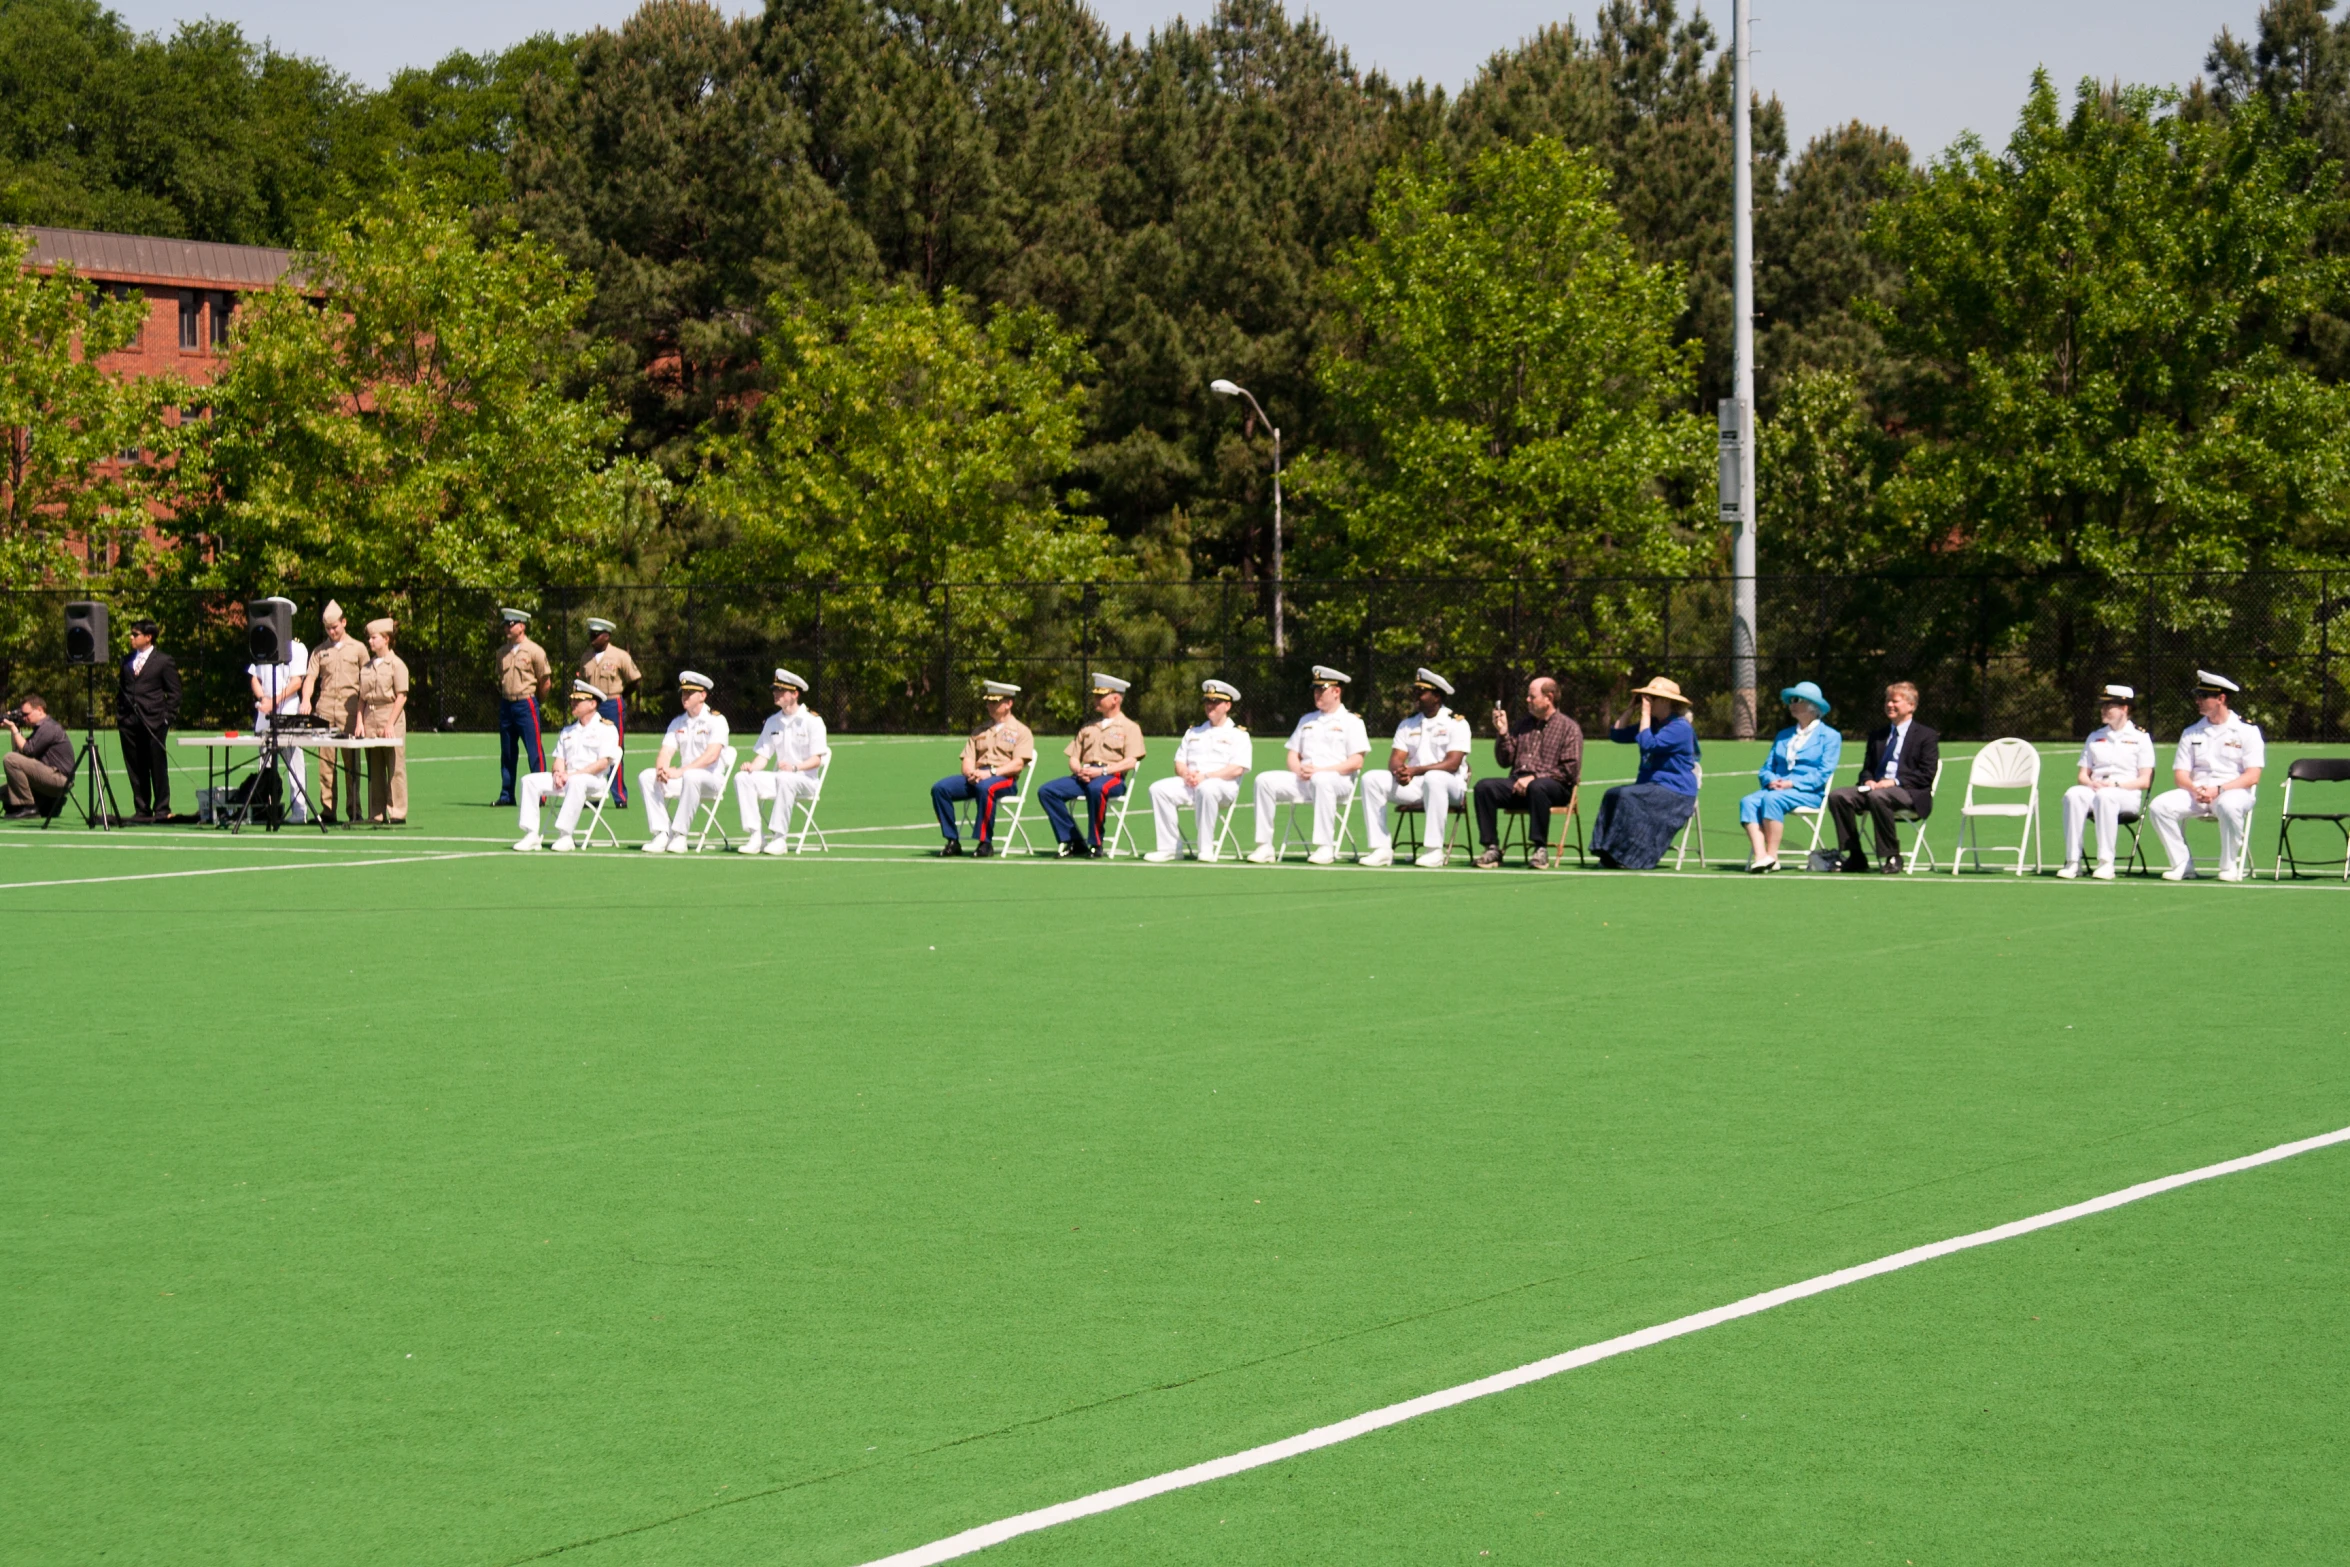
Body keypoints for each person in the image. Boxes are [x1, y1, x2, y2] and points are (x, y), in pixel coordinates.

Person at [1247, 666, 1370, 865]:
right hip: (1305, 779)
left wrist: (1320, 771)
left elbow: (1356, 761)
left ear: (1336, 691)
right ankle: (1264, 846)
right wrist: (1299, 770)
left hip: (1337, 781)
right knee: (1264, 780)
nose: (1317, 694)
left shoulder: (1351, 721)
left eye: (1322, 689)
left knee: (1322, 780)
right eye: (1315, 689)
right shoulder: (1307, 720)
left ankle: (1325, 847)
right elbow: (1292, 755)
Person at [2150, 670, 2265, 882]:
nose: (2198, 701)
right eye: (2198, 695)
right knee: (2159, 806)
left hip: (2233, 792)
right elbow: (2181, 774)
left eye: (2203, 696)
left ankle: (2229, 866)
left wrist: (2219, 790)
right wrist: (2196, 789)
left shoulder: (2247, 731)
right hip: (2198, 792)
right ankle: (2182, 864)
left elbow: (2252, 775)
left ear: (2221, 699)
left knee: (2228, 805)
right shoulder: (2191, 732)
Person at [1360, 669, 1472, 868]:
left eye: (1420, 693)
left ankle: (1434, 850)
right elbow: (1396, 758)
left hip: (1450, 786)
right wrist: (1399, 772)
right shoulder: (1408, 723)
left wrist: (1414, 770)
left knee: (1435, 778)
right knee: (1372, 779)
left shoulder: (1456, 723)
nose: (1415, 697)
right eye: (1414, 692)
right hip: (1416, 783)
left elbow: (1452, 763)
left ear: (1436, 696)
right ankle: (1381, 849)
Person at [1825, 681, 1941, 874]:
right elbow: (1867, 769)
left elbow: (1926, 774)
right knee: (1838, 796)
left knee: (1878, 796)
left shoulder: (1925, 736)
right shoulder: (1878, 735)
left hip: (1908, 792)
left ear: (1911, 706)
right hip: (1875, 789)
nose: (1889, 705)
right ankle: (1855, 855)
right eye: (1887, 701)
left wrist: (1895, 782)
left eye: (1895, 701)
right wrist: (1867, 780)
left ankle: (1892, 856)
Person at [1589, 676, 1702, 870]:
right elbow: (1616, 734)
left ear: (1666, 701)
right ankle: (1607, 852)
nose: (1646, 702)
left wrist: (1645, 713)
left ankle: (1631, 856)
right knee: (1613, 794)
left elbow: (1648, 744)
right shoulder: (1653, 725)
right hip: (1650, 787)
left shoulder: (1680, 728)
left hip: (1675, 791)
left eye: (1651, 698)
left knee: (1628, 796)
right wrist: (1631, 708)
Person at [1471, 676, 1582, 869]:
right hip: (1518, 783)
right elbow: (1505, 761)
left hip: (1554, 787)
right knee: (1484, 787)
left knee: (1537, 787)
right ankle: (1491, 848)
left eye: (1532, 696)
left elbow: (1569, 770)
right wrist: (1503, 732)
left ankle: (1540, 849)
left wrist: (1534, 778)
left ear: (1549, 697)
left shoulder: (1569, 728)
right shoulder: (1523, 725)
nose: (1527, 700)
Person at [1738, 681, 1842, 872]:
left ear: (1812, 705)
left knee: (1771, 799)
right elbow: (1766, 768)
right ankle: (1761, 856)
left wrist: (1791, 783)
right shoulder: (1784, 735)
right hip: (1777, 789)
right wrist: (1771, 780)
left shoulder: (1830, 736)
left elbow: (1823, 774)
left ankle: (1772, 854)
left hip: (1808, 792)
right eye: (1790, 700)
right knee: (1748, 801)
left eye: (1796, 700)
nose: (1791, 704)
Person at [1041, 673, 1148, 858]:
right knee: (1047, 791)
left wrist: (1103, 771)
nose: (1095, 699)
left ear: (1115, 699)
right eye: (1095, 695)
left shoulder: (1130, 727)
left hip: (1111, 777)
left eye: (1101, 695)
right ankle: (1072, 840)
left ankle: (1095, 843)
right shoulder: (1088, 727)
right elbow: (1074, 757)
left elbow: (1131, 761)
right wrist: (1078, 770)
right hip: (1084, 776)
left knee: (1097, 789)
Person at [1144, 680, 1251, 862]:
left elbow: (1238, 768)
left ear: (1227, 705)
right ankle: (1169, 848)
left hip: (1222, 787)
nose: (1210, 706)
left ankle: (1206, 848)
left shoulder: (1238, 735)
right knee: (1159, 789)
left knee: (1206, 788)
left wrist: (1206, 777)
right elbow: (1179, 761)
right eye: (1207, 702)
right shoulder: (1194, 732)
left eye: (1215, 702)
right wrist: (1186, 774)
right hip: (1191, 783)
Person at [2059, 684, 2156, 881]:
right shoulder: (2095, 736)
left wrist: (2116, 786)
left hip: (2126, 794)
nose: (2103, 710)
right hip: (2096, 788)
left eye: (2109, 706)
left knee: (2106, 796)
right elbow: (2083, 775)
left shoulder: (2140, 737)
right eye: (2103, 706)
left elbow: (2145, 780)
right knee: (2073, 794)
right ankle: (2072, 861)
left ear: (2124, 709)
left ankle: (2106, 863)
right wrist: (2091, 784)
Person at [515, 683, 624, 852]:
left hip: (593, 780)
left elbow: (602, 763)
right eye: (572, 700)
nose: (573, 703)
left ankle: (565, 835)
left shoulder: (606, 728)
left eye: (578, 700)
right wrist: (558, 773)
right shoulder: (568, 730)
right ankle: (531, 834)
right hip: (567, 778)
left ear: (592, 704)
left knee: (577, 782)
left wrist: (572, 775)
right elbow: (559, 758)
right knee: (529, 780)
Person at [733, 668, 830, 855]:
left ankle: (779, 838)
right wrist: (751, 767)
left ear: (794, 693)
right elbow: (764, 756)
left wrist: (795, 768)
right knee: (742, 778)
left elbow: (817, 759)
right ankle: (755, 836)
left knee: (786, 778)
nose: (775, 693)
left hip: (805, 781)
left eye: (781, 690)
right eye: (775, 689)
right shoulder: (772, 722)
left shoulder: (812, 721)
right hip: (780, 779)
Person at [932, 682, 1034, 857]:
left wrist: (991, 773)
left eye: (994, 702)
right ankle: (952, 840)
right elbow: (968, 758)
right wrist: (970, 773)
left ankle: (985, 842)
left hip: (1003, 778)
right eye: (988, 701)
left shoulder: (1021, 731)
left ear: (1009, 704)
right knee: (940, 789)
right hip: (978, 776)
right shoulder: (980, 730)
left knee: (985, 788)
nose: (989, 705)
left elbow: (1018, 763)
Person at [637, 671, 730, 853]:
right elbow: (666, 751)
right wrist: (662, 769)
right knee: (647, 776)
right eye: (683, 692)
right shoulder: (678, 722)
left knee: (692, 776)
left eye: (689, 693)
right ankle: (661, 833)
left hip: (710, 780)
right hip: (685, 779)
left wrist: (681, 771)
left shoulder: (716, 720)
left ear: (702, 695)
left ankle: (680, 835)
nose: (684, 696)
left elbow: (711, 755)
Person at [304, 600, 367, 823]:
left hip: (349, 712)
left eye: (336, 627)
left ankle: (355, 811)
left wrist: (364, 712)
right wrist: (306, 700)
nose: (333, 631)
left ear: (344, 622)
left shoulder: (359, 648)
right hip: (325, 712)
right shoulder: (320, 651)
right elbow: (310, 678)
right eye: (329, 628)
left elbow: (367, 680)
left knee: (352, 764)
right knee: (325, 764)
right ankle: (328, 810)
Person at [247, 612, 311, 823]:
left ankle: (299, 811)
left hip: (287, 712)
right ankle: (265, 809)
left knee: (294, 762)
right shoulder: (260, 644)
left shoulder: (296, 647)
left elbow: (296, 682)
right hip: (265, 714)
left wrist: (273, 701)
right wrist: (263, 699)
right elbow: (254, 677)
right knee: (264, 764)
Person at [115, 618, 181, 823]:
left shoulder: (163, 661)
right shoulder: (126, 661)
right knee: (135, 766)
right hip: (129, 721)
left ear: (148, 637)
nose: (131, 638)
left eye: (135, 634)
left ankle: (162, 807)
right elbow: (122, 690)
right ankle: (142, 808)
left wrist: (167, 718)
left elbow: (175, 692)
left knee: (157, 765)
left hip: (154, 721)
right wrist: (120, 716)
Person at [576, 617, 641, 806]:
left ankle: (619, 795)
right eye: (590, 634)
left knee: (615, 749)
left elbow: (635, 679)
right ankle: (595, 795)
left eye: (596, 635)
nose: (592, 638)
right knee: (593, 749)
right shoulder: (586, 657)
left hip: (612, 703)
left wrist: (621, 697)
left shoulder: (620, 655)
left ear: (606, 636)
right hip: (591, 705)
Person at [494, 607, 551, 807]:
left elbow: (545, 680)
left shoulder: (534, 650)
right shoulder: (502, 652)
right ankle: (507, 794)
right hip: (507, 703)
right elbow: (500, 677)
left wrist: (537, 702)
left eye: (511, 624)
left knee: (534, 750)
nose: (507, 629)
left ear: (522, 626)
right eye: (505, 625)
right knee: (508, 751)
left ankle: (542, 794)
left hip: (526, 702)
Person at [355, 618, 409, 825]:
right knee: (374, 767)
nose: (370, 641)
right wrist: (360, 721)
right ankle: (376, 813)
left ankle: (397, 811)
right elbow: (362, 698)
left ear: (386, 639)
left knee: (394, 766)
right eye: (369, 637)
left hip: (391, 715)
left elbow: (401, 696)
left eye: (374, 637)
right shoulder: (367, 667)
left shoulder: (397, 664)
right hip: (371, 718)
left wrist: (389, 724)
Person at [3, 695, 76, 818]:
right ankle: (48, 802)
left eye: (27, 714)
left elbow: (27, 751)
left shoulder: (49, 727)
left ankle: (29, 807)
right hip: (49, 777)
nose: (24, 718)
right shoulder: (41, 728)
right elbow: (20, 752)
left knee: (9, 759)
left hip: (59, 780)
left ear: (40, 710)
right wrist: (14, 729)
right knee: (4, 792)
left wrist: (13, 728)